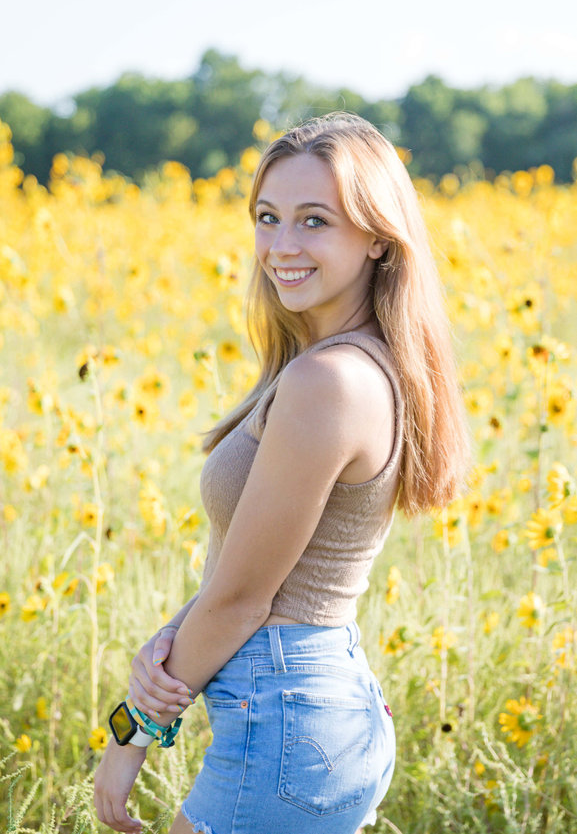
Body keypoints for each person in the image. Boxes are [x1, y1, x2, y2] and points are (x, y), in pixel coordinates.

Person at [94, 112, 471, 834]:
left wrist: (129, 733)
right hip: (320, 711)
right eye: (268, 217)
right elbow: (249, 580)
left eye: (313, 220)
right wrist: (167, 641)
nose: (281, 245)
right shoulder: (350, 366)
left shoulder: (327, 381)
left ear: (377, 237)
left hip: (287, 729)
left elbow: (242, 599)